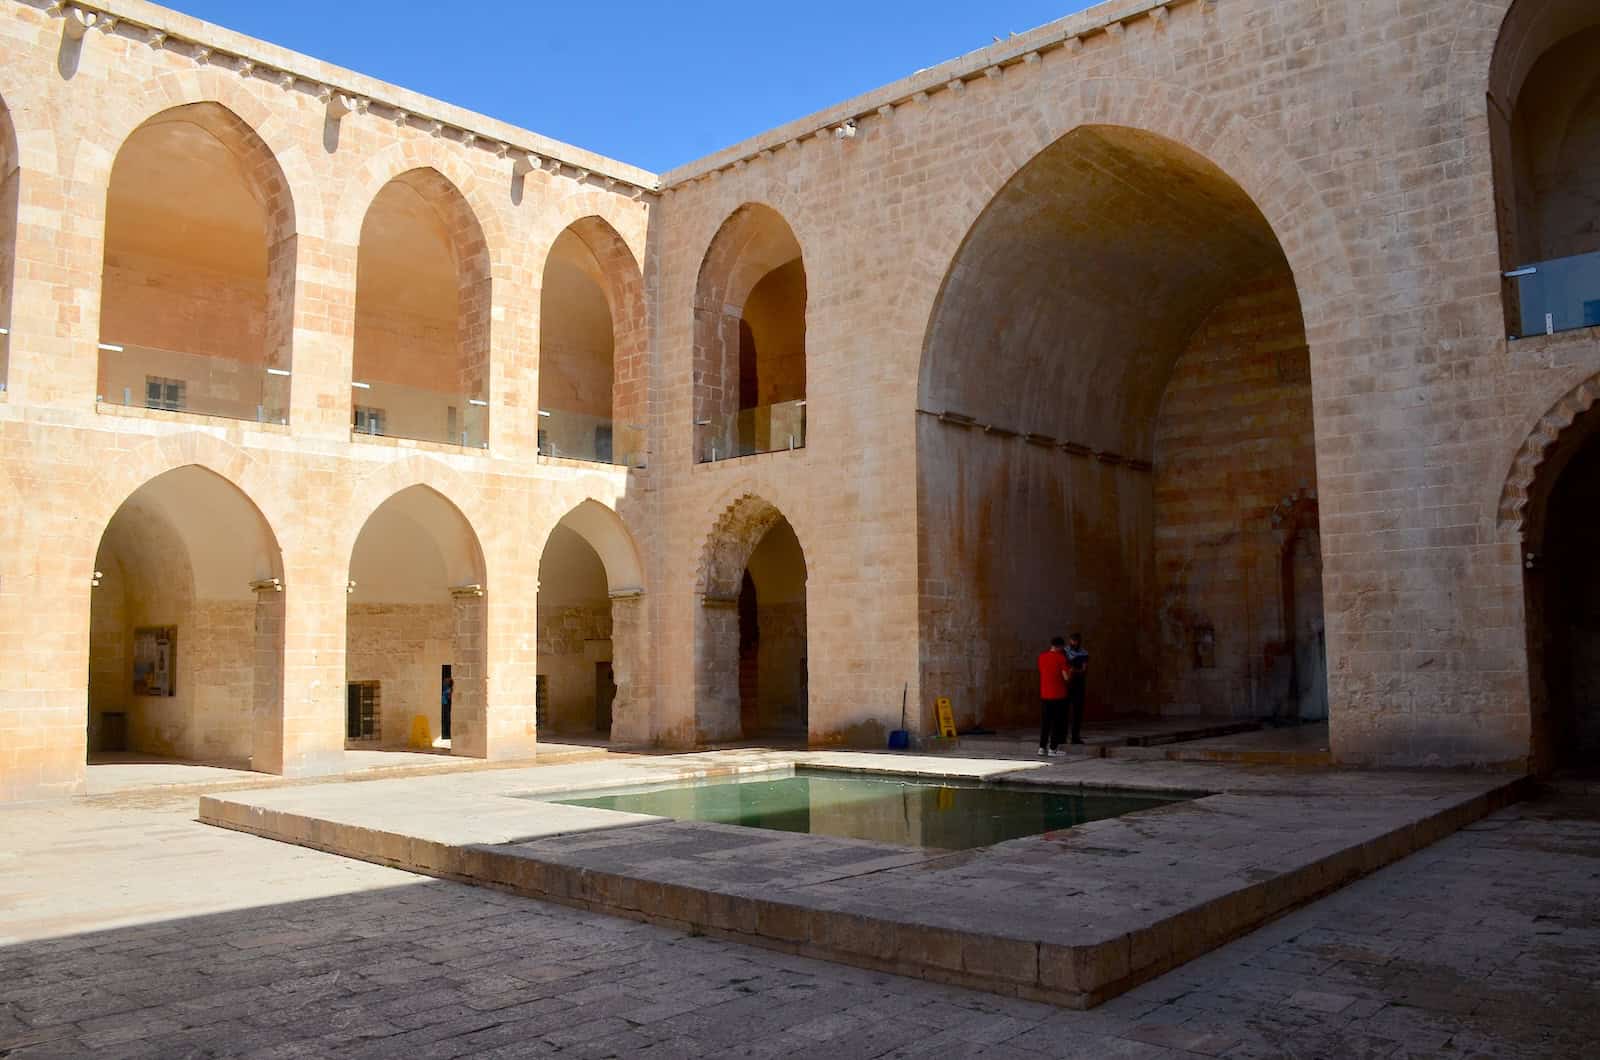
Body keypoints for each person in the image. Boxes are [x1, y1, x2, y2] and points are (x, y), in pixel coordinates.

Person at [1037, 636, 1070, 756]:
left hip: (1045, 694)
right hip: (1058, 695)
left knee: (1045, 722)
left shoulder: (1041, 657)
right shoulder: (1061, 658)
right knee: (1056, 722)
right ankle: (1053, 748)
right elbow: (1066, 677)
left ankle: (1042, 747)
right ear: (1060, 646)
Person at [1064, 632, 1089, 745]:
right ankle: (1062, 736)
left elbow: (1084, 669)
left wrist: (1075, 671)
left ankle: (1075, 737)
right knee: (1064, 711)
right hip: (1067, 684)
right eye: (1073, 640)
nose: (1074, 643)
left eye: (1076, 641)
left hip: (1078, 684)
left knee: (1077, 712)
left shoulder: (1084, 653)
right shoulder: (1065, 652)